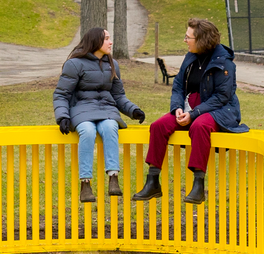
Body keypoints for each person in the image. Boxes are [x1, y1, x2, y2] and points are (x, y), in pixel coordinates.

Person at [136, 18, 248, 205]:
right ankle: (153, 181)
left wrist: (194, 114)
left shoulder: (225, 63)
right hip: (190, 107)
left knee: (199, 126)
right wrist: (177, 108)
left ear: (202, 40)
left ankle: (198, 185)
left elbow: (222, 96)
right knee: (158, 126)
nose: (184, 40)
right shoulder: (190, 57)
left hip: (219, 110)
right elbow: (178, 85)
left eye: (188, 37)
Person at [54, 26, 146, 203]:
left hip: (106, 109)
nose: (111, 42)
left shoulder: (112, 64)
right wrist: (63, 117)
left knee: (111, 126)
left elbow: (118, 95)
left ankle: (113, 177)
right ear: (95, 41)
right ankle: (85, 183)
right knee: (87, 131)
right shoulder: (74, 64)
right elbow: (61, 94)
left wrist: (133, 110)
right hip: (82, 109)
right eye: (107, 39)